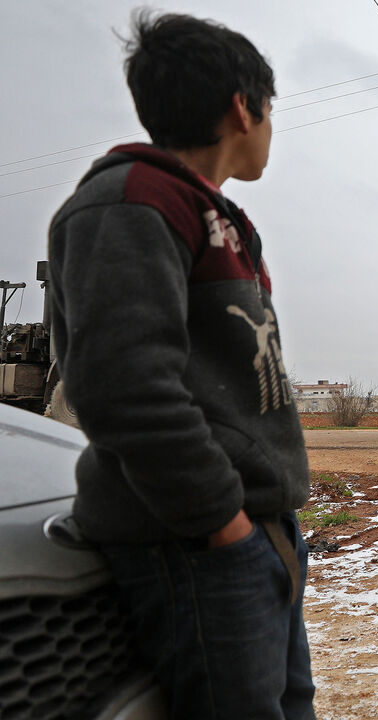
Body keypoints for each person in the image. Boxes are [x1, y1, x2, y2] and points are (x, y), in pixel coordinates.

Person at [46, 11, 314, 719]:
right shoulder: (130, 202)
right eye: (269, 108)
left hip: (251, 534)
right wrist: (221, 521)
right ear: (242, 105)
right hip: (197, 545)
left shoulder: (207, 212)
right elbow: (124, 385)